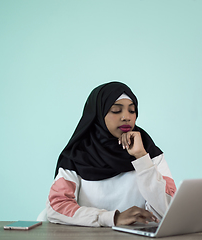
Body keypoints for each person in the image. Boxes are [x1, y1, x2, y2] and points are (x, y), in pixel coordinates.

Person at [46, 81, 176, 227]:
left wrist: (141, 158)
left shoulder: (148, 152)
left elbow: (169, 211)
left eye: (132, 111)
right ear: (98, 114)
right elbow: (56, 208)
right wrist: (112, 218)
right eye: (116, 110)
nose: (126, 117)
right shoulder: (77, 155)